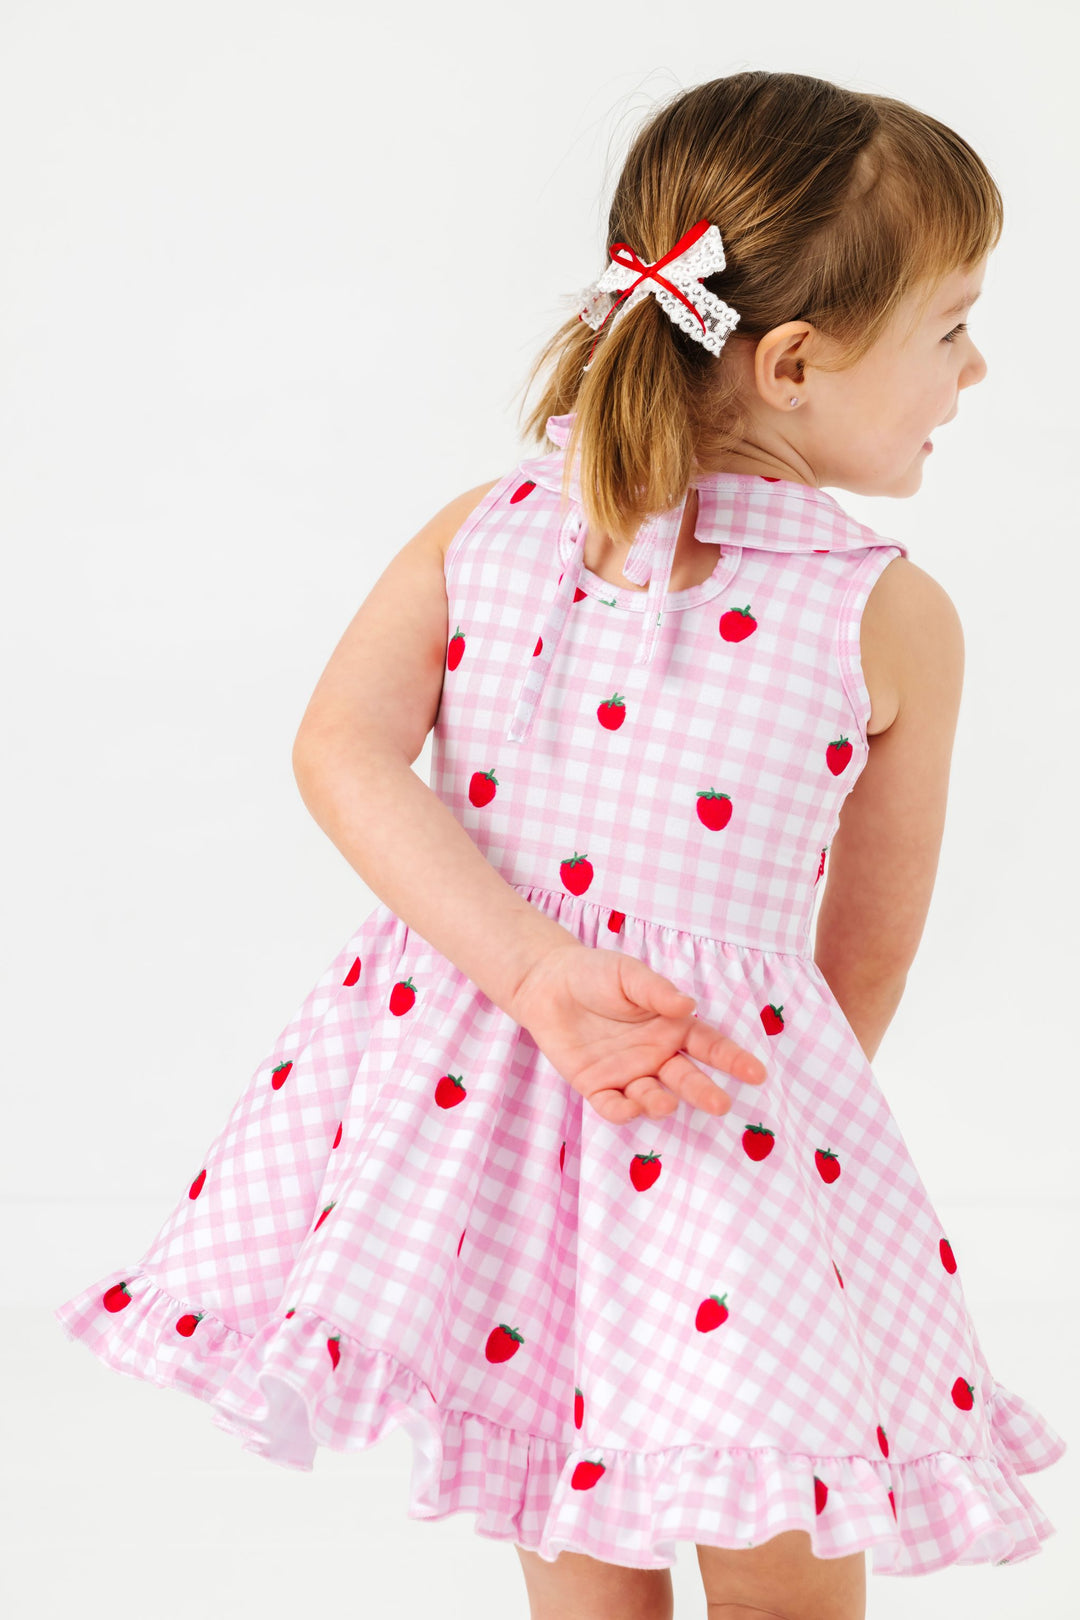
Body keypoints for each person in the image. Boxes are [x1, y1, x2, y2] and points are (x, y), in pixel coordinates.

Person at [54, 69, 1066, 1620]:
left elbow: (341, 750)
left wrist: (530, 977)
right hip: (722, 1133)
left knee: (578, 1545)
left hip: (494, 1138)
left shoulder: (494, 524)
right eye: (951, 328)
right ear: (794, 363)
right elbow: (864, 955)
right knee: (783, 1566)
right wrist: (759, 1164)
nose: (975, 366)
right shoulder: (884, 613)